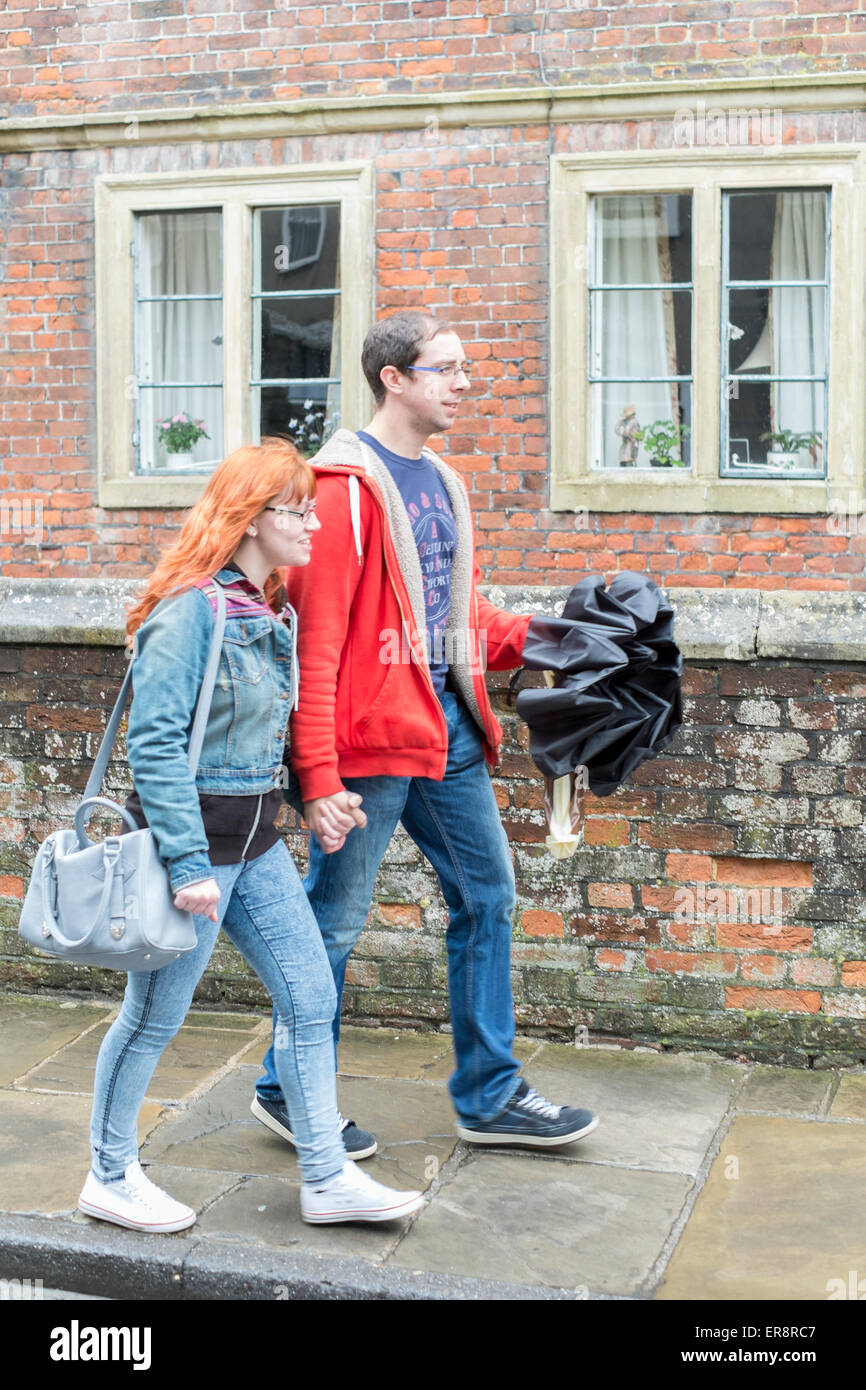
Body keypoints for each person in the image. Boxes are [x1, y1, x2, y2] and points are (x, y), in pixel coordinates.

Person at [252, 311, 600, 1152]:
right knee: (331, 923)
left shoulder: (441, 483)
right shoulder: (340, 491)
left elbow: (452, 618)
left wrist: (555, 636)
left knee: (488, 899)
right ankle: (287, 1090)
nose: (464, 383)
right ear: (393, 378)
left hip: (446, 731)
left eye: (465, 368)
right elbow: (322, 641)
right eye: (445, 368)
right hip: (368, 746)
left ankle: (490, 1095)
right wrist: (321, 776)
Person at [78, 440, 424, 1231]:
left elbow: (259, 738)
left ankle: (328, 1177)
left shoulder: (268, 610)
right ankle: (108, 1174)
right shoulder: (189, 611)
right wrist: (187, 863)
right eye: (297, 511)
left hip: (255, 845)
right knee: (154, 1018)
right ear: (249, 518)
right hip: (190, 855)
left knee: (310, 995)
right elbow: (157, 745)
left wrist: (314, 799)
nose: (313, 524)